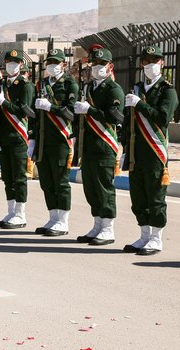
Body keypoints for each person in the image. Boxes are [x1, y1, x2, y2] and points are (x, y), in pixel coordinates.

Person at [123, 46, 178, 255]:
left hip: (154, 152)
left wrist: (140, 105)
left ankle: (156, 238)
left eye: (155, 61)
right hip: (136, 153)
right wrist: (126, 148)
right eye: (146, 61)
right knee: (138, 196)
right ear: (141, 64)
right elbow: (129, 121)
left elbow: (163, 118)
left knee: (155, 197)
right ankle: (144, 235)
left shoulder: (167, 90)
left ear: (162, 64)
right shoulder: (137, 88)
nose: (150, 65)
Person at [74, 47, 125, 245]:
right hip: (88, 146)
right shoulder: (89, 88)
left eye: (101, 64)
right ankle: (97, 224)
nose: (97, 68)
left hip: (104, 145)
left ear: (110, 66)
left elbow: (114, 117)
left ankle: (108, 228)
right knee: (91, 187)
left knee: (104, 188)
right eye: (94, 64)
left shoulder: (114, 89)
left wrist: (90, 110)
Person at [33, 49, 78, 236]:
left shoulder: (69, 85)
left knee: (60, 181)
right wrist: (32, 139)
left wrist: (50, 107)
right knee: (46, 181)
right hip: (44, 140)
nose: (52, 66)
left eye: (56, 62)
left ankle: (63, 221)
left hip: (61, 139)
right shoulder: (41, 84)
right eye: (49, 62)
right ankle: (53, 217)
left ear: (64, 65)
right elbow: (36, 116)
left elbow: (71, 113)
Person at [0, 50, 34, 229]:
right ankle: (11, 211)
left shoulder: (25, 86)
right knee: (7, 177)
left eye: (15, 62)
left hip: (17, 137)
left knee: (18, 177)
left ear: (21, 65)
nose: (11, 65)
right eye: (8, 61)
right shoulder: (2, 85)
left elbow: (23, 111)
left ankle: (20, 214)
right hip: (4, 137)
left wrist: (4, 103)